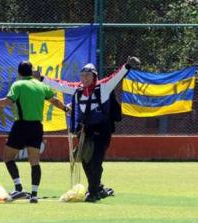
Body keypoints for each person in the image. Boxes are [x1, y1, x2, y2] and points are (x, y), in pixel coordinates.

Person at [41, 57, 140, 202]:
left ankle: (93, 191)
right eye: (82, 75)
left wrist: (127, 65)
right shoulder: (78, 89)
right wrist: (42, 78)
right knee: (86, 160)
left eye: (88, 75)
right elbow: (60, 85)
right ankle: (96, 187)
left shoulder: (104, 87)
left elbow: (116, 77)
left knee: (96, 161)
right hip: (85, 131)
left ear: (94, 76)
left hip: (102, 131)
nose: (84, 78)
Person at [0, 61, 69, 203]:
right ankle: (34, 194)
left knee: (7, 157)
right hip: (37, 127)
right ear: (32, 72)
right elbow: (54, 100)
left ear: (19, 73)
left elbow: (8, 101)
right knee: (34, 161)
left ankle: (18, 189)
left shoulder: (18, 85)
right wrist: (66, 109)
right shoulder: (41, 85)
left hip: (21, 126)